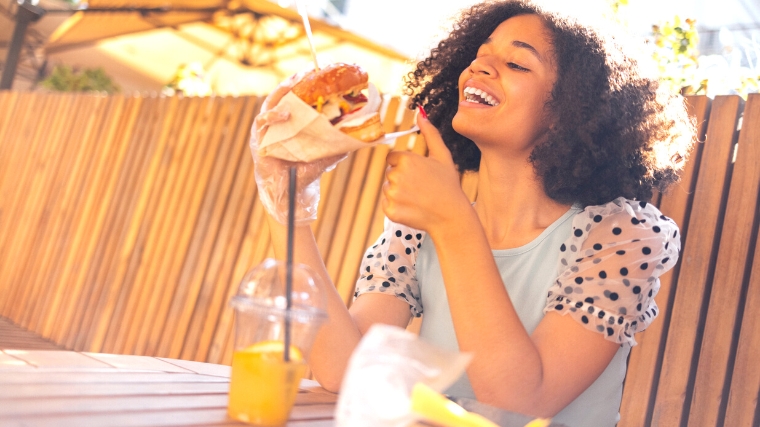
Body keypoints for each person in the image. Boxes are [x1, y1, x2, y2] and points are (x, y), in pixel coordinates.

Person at [250, 0, 695, 425]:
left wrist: (452, 221)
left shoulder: (623, 237)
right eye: (480, 56)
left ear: (573, 110)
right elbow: (346, 369)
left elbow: (523, 401)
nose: (480, 67)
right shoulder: (419, 231)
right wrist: (285, 200)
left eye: (518, 64)